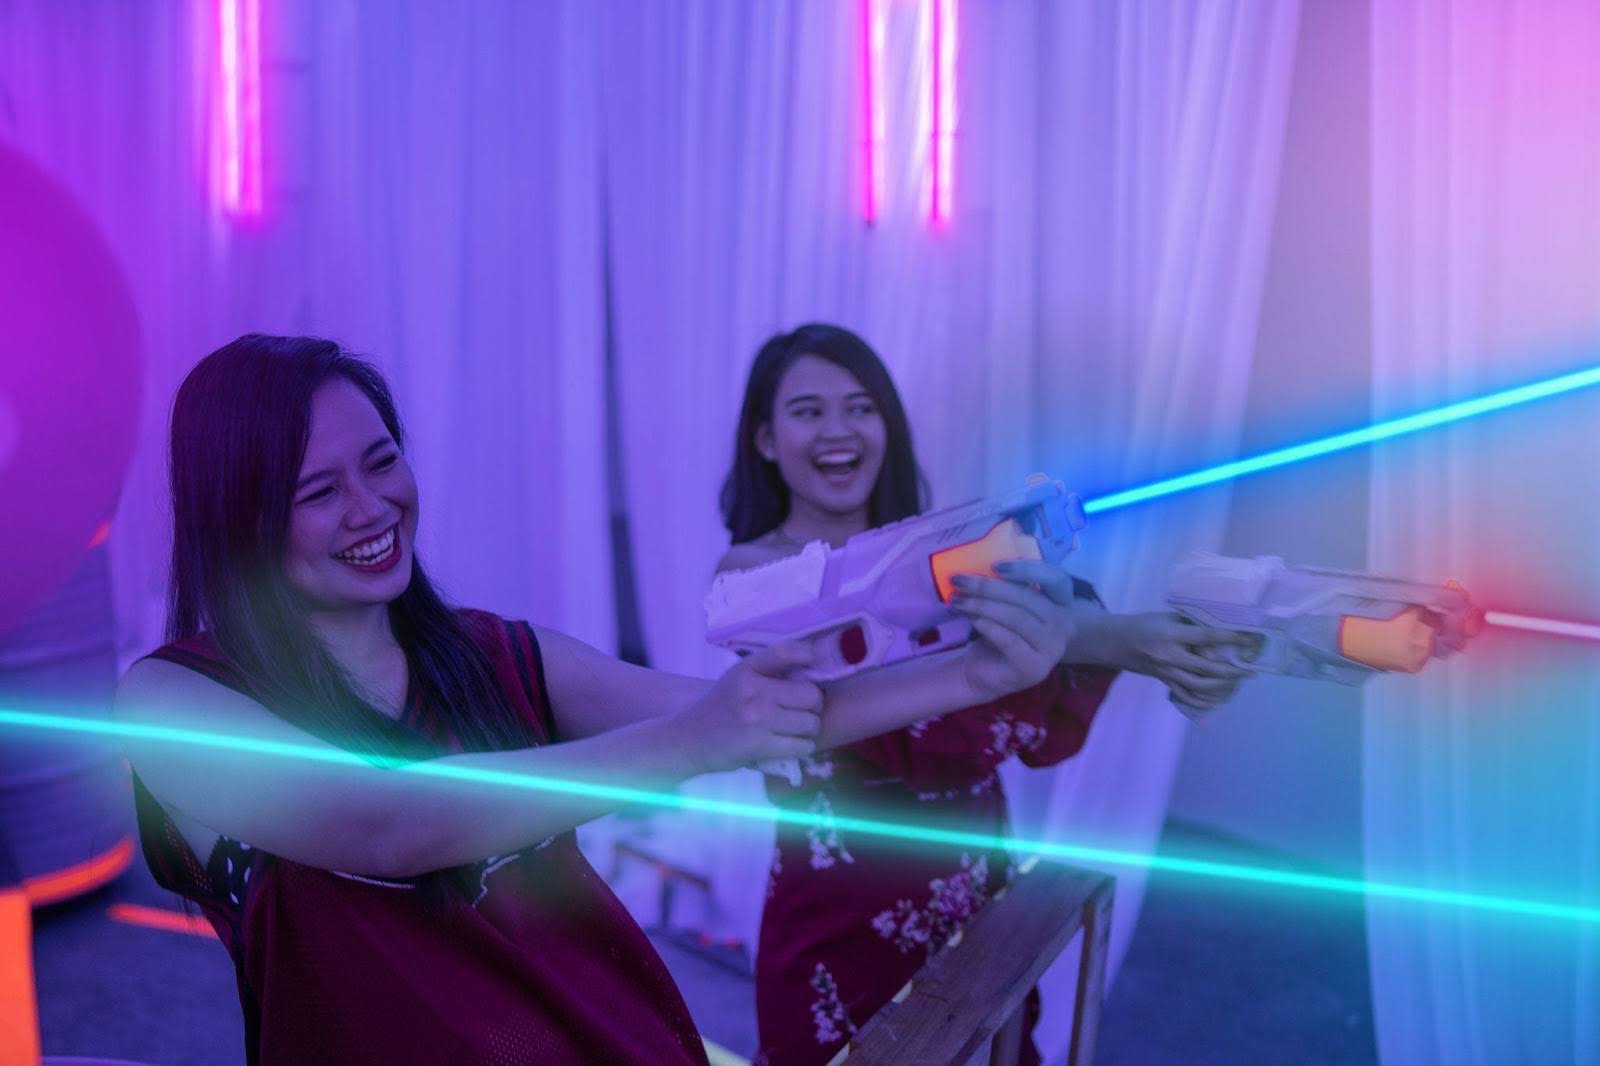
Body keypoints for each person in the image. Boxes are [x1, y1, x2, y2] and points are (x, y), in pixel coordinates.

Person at [116, 334, 1078, 1065]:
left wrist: (973, 676)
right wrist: (691, 742)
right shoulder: (174, 701)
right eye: (316, 490)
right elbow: (385, 825)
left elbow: (769, 715)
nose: (372, 508)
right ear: (237, 518)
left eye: (381, 462)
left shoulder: (498, 654)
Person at [716, 323, 1256, 1064]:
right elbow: (876, 699)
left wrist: (1135, 636)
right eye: (808, 410)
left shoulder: (941, 553)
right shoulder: (749, 577)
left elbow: (1027, 687)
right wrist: (1120, 639)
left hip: (976, 880)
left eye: (861, 406)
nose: (838, 430)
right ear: (767, 440)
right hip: (838, 914)